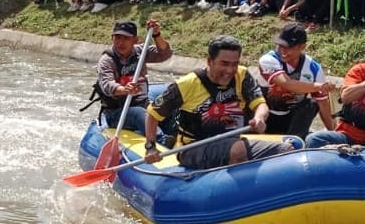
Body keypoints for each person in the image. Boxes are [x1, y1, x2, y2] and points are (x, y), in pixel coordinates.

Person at [143, 35, 296, 169]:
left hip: (232, 141)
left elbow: (260, 105)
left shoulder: (242, 75)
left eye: (234, 64)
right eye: (224, 63)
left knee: (288, 150)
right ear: (209, 61)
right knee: (238, 151)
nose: (230, 70)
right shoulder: (187, 84)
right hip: (192, 148)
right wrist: (150, 147)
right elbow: (152, 114)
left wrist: (259, 118)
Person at [93, 19, 173, 136]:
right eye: (117, 38)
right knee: (138, 113)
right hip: (116, 112)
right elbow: (107, 84)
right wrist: (124, 89)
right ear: (112, 38)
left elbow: (165, 53)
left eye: (126, 38)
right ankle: (160, 140)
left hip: (142, 103)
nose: (120, 42)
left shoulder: (140, 52)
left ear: (135, 40)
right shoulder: (107, 60)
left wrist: (156, 34)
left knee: (168, 107)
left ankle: (174, 136)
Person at [258, 23, 335, 138]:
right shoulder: (268, 60)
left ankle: (293, 140)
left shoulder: (313, 68)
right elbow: (287, 84)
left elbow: (323, 103)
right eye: (280, 46)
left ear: (302, 47)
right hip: (265, 117)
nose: (283, 51)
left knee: (312, 104)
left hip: (291, 119)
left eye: (288, 47)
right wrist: (318, 86)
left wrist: (333, 133)